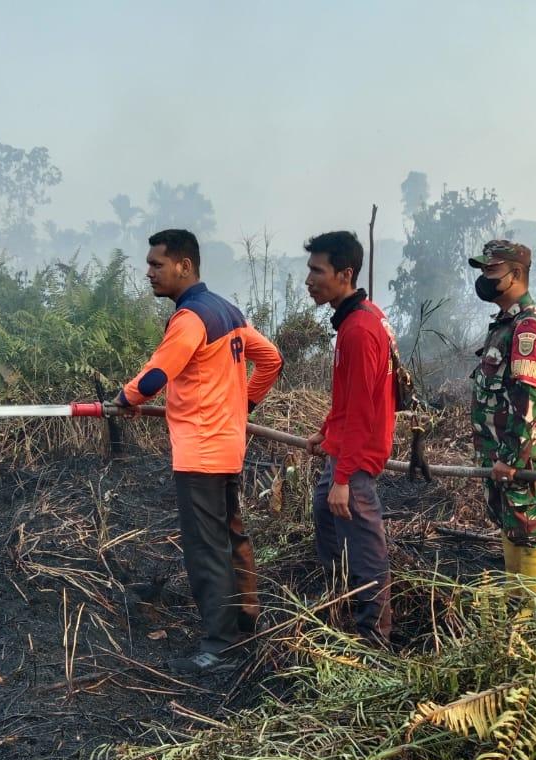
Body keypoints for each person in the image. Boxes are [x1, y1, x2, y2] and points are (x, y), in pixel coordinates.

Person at [115, 229, 282, 675]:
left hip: (200, 453)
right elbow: (272, 360)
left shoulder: (189, 319)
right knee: (232, 538)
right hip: (227, 447)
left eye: (156, 264)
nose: (148, 272)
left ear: (184, 266)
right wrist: (242, 404)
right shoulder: (228, 312)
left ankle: (219, 645)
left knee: (206, 549)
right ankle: (246, 622)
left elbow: (153, 380)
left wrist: (125, 399)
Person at [303, 231, 395, 643]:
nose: (309, 279)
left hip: (354, 462)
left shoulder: (359, 330)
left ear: (345, 274)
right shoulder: (359, 319)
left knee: (364, 549)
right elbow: (350, 396)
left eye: (317, 271)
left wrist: (343, 476)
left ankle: (375, 639)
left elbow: (363, 410)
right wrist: (324, 432)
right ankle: (339, 615)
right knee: (325, 521)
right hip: (343, 452)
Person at [467, 239, 536, 587]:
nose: (485, 278)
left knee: (528, 524)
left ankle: (534, 612)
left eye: (492, 270)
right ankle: (516, 602)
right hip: (499, 455)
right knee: (509, 523)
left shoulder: (528, 326)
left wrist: (511, 457)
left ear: (516, 274)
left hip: (517, 456)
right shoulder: (504, 324)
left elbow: (528, 398)